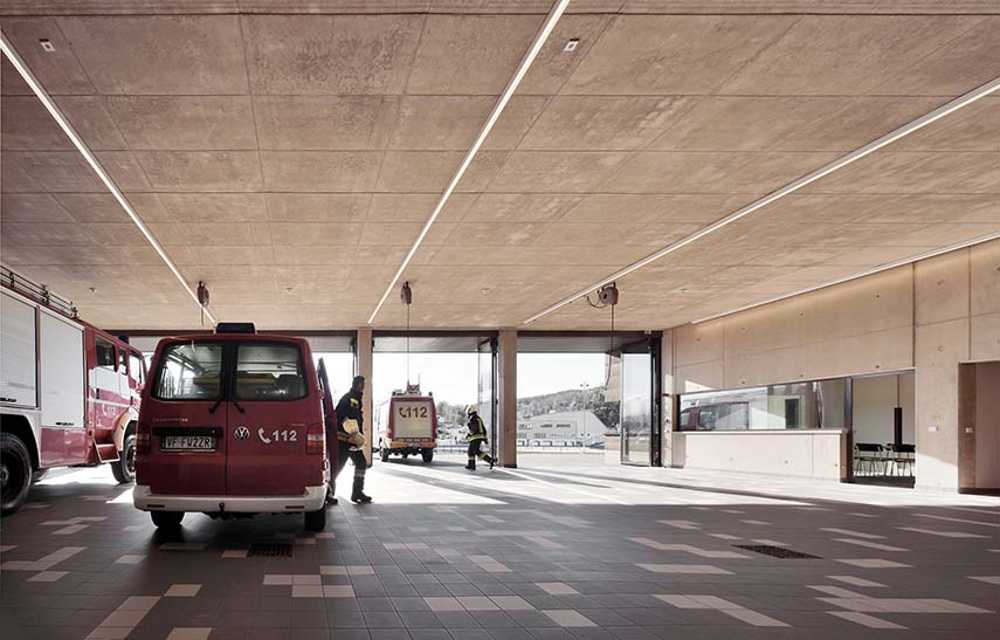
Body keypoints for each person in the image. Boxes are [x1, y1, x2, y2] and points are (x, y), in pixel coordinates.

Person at [333, 375, 372, 503]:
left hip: (352, 440)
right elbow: (343, 417)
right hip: (345, 440)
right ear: (359, 385)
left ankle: (357, 492)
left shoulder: (353, 398)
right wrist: (351, 433)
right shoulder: (351, 399)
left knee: (361, 463)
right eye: (363, 385)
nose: (364, 387)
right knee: (338, 467)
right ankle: (329, 492)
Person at [465, 405, 495, 471]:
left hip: (475, 437)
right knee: (471, 452)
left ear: (470, 411)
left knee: (476, 451)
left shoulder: (473, 418)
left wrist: (469, 434)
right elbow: (482, 429)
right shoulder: (477, 418)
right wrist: (485, 438)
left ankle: (490, 460)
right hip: (477, 437)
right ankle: (471, 465)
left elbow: (474, 429)